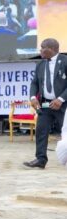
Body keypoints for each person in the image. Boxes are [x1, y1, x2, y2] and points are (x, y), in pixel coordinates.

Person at [23, 39, 67, 169]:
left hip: (63, 105)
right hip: (46, 105)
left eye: (43, 48)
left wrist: (61, 99)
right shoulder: (40, 64)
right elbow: (34, 83)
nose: (40, 50)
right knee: (41, 131)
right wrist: (33, 97)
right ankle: (40, 159)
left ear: (52, 49)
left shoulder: (65, 61)